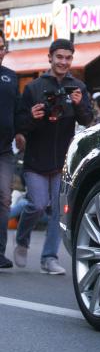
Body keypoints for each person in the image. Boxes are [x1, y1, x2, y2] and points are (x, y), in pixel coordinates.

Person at [12, 39, 93, 275]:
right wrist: (33, 117)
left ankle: (49, 258)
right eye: (59, 57)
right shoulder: (33, 87)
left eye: (68, 58)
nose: (63, 62)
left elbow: (87, 120)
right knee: (37, 205)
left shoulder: (78, 87)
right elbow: (21, 125)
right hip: (36, 159)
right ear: (50, 58)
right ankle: (22, 239)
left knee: (58, 212)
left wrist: (78, 105)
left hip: (63, 161)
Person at [0, 32, 19, 269]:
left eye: (2, 47)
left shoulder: (11, 77)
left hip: (4, 149)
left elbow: (18, 109)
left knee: (4, 199)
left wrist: (22, 131)